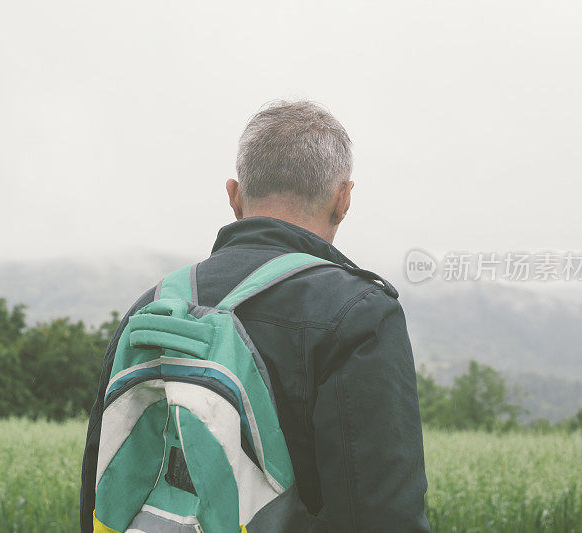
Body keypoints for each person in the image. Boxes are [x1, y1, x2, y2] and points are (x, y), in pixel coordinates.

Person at [80, 100, 429, 532]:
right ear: (343, 199)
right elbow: (382, 516)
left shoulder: (150, 307)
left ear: (234, 195)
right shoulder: (359, 316)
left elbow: (97, 491)